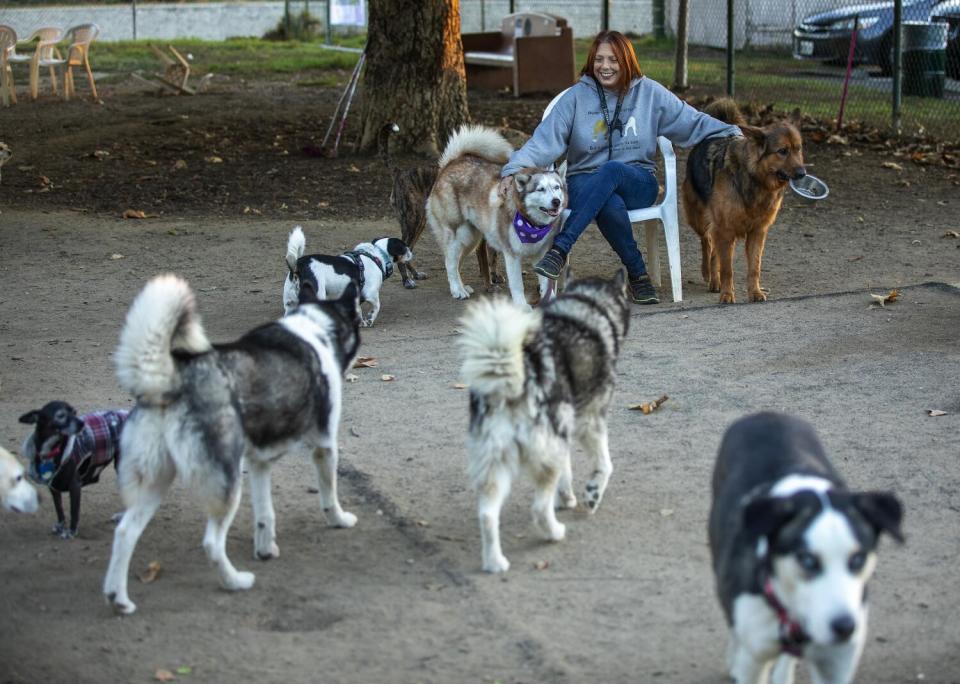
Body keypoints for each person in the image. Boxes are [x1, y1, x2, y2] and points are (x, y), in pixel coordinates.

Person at [499, 30, 742, 304]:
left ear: (627, 60)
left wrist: (733, 132)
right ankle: (639, 276)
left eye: (613, 60)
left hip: (637, 181)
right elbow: (544, 141)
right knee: (607, 200)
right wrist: (512, 169)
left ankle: (559, 250)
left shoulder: (649, 93)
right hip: (584, 183)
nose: (605, 66)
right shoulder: (576, 98)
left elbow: (692, 121)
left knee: (612, 170)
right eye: (599, 59)